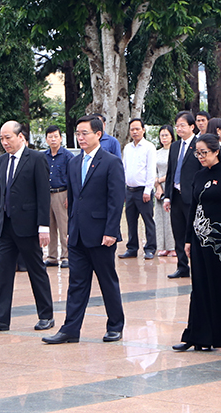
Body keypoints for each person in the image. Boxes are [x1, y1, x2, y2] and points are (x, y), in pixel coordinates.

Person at [42, 115, 126, 344]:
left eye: (84, 133)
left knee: (107, 281)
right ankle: (70, 329)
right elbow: (74, 199)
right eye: (78, 133)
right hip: (78, 235)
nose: (80, 137)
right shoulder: (74, 162)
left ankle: (115, 325)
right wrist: (71, 228)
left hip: (102, 235)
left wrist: (111, 231)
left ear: (98, 134)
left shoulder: (111, 162)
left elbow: (116, 200)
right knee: (76, 284)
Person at [173, 134, 221, 352]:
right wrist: (188, 239)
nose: (201, 156)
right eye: (198, 153)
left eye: (204, 152)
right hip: (199, 239)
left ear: (216, 151)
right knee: (200, 287)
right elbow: (194, 209)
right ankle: (198, 335)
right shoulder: (198, 176)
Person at [0, 121, 54, 334]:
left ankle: (46, 315)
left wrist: (43, 226)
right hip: (6, 226)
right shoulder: (2, 161)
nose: (4, 143)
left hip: (29, 226)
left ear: (21, 137)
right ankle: (0, 319)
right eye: (2, 139)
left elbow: (43, 195)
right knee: (4, 272)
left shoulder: (37, 159)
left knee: (36, 270)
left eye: (8, 138)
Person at [163, 111, 201, 278]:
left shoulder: (199, 145)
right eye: (177, 125)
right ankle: (182, 266)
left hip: (192, 197)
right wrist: (167, 196)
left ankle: (198, 267)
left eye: (182, 125)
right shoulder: (175, 146)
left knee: (193, 232)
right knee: (178, 232)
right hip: (176, 196)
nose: (179, 128)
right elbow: (170, 172)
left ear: (192, 127)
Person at [121, 118, 158, 259]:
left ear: (143, 129)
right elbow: (124, 169)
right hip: (129, 190)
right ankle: (132, 248)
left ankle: (150, 248)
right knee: (130, 221)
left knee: (148, 220)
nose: (135, 132)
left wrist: (148, 190)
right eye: (132, 129)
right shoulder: (128, 148)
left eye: (137, 129)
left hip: (143, 190)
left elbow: (150, 170)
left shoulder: (149, 147)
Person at [44, 125, 71, 268]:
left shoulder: (67, 156)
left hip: (62, 194)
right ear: (46, 139)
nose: (53, 139)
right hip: (47, 195)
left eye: (56, 136)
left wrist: (69, 197)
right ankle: (52, 256)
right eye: (50, 137)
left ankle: (66, 256)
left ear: (61, 138)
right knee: (50, 227)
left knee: (64, 226)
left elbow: (73, 178)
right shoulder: (43, 157)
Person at [153, 126, 175, 256]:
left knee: (170, 217)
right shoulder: (157, 153)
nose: (164, 138)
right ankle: (161, 246)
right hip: (159, 187)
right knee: (160, 217)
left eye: (166, 135)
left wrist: (161, 179)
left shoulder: (175, 151)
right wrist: (158, 186)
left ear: (172, 136)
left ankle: (173, 246)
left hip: (171, 185)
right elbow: (153, 170)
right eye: (162, 135)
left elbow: (174, 170)